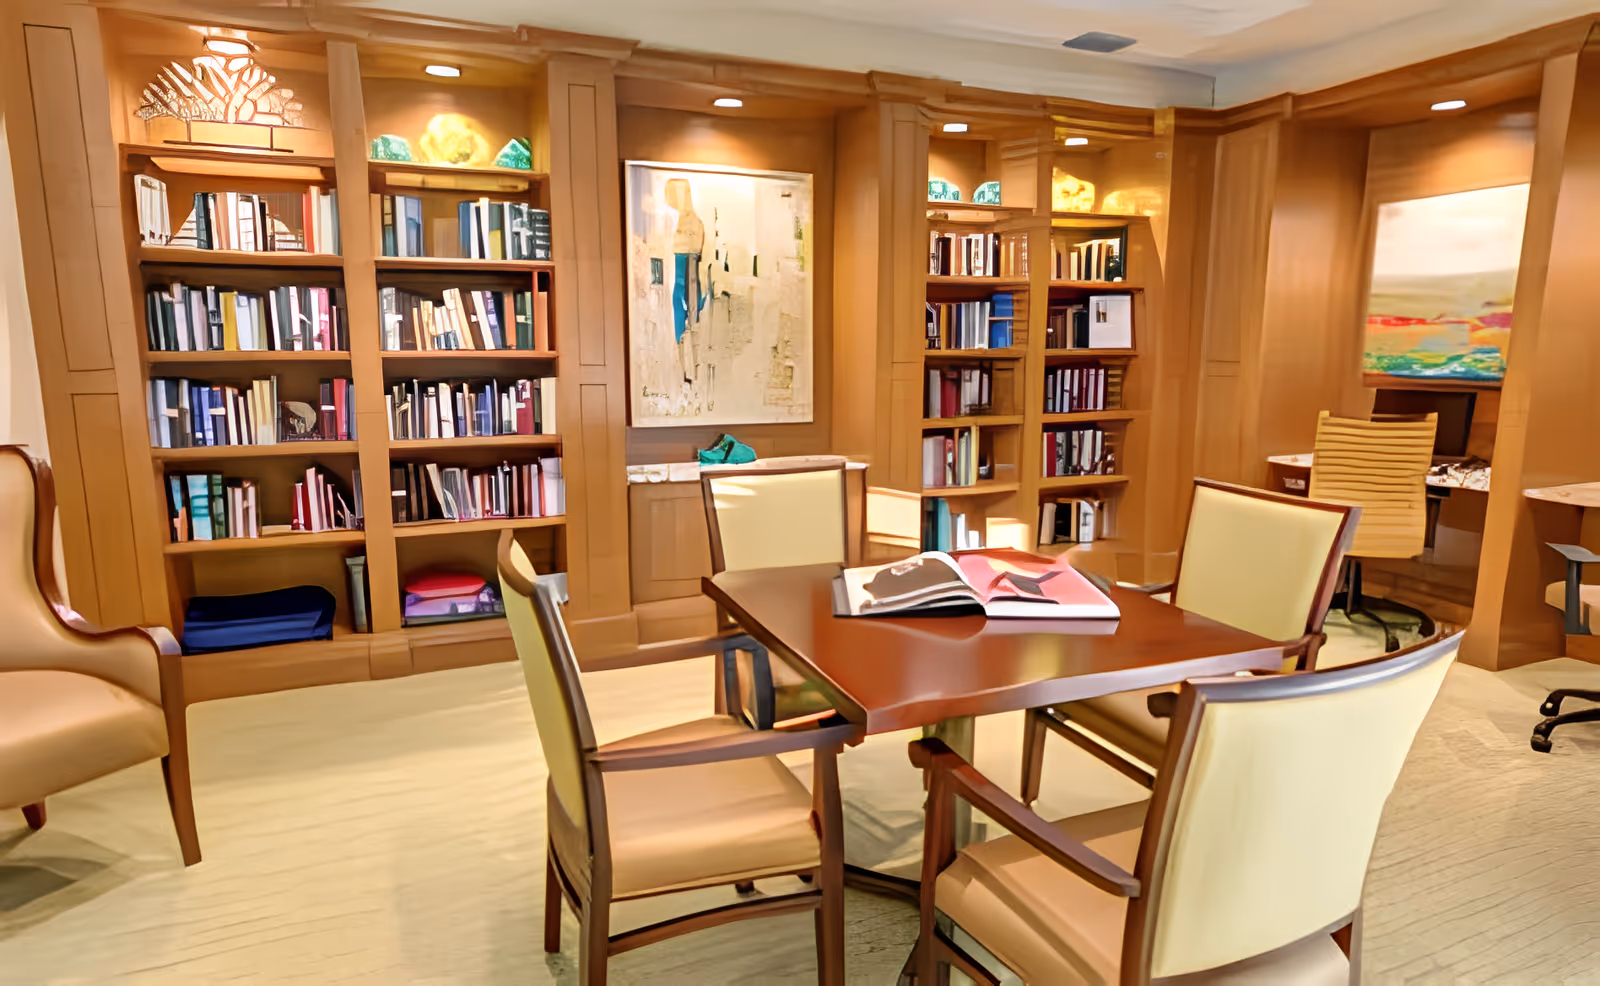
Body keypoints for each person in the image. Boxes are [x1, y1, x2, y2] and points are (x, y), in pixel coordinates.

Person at [664, 178, 705, 387]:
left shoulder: (695, 224)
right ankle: (683, 376)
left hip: (690, 279)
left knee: (692, 327)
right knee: (678, 330)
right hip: (680, 281)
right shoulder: (676, 222)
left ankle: (693, 374)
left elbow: (695, 262)